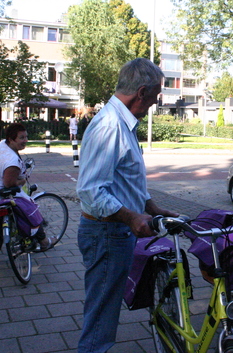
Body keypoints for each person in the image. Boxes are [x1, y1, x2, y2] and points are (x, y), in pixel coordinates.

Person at [76, 58, 178, 353]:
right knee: (101, 316)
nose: (155, 104)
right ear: (142, 92)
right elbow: (92, 190)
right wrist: (131, 217)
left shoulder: (122, 122)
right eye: (156, 96)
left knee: (104, 310)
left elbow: (123, 180)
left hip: (113, 231)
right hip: (107, 233)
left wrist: (151, 206)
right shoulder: (111, 126)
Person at [0, 123, 56, 270]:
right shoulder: (12, 162)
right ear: (11, 139)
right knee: (29, 210)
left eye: (26, 137)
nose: (25, 140)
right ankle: (43, 242)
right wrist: (22, 180)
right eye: (21, 138)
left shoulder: (2, 144)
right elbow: (10, 183)